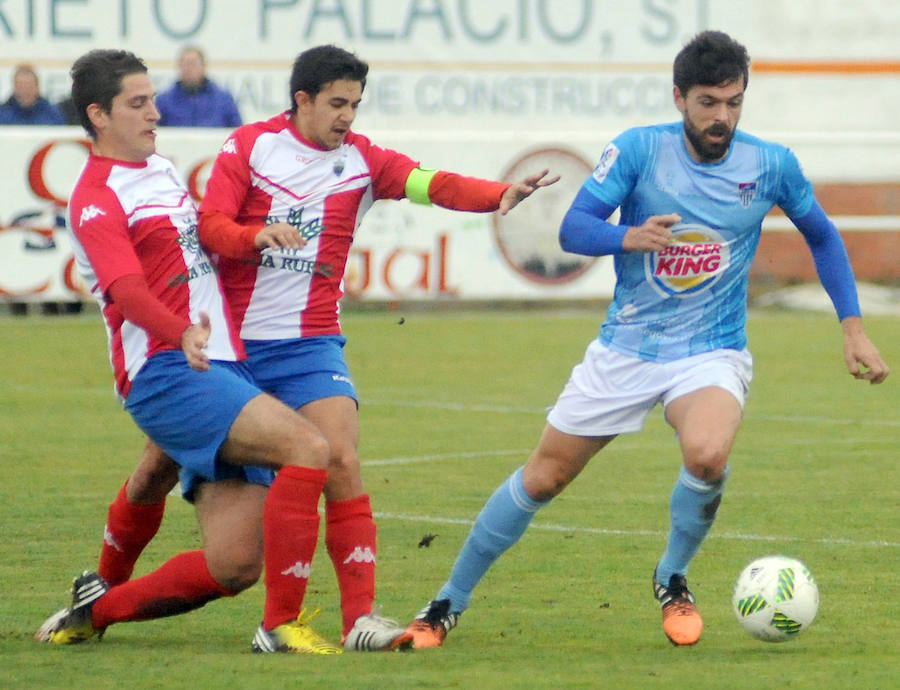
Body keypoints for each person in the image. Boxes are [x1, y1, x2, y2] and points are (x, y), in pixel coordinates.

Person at [404, 30, 890, 649]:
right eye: (709, 102)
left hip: (710, 350)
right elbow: (575, 229)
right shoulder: (639, 151)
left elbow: (822, 234)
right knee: (543, 478)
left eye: (734, 102)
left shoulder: (770, 164)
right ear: (679, 97)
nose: (722, 117)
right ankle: (446, 603)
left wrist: (852, 328)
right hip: (627, 350)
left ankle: (672, 577)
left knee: (708, 455)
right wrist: (625, 238)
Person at [71, 43, 557, 652]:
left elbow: (426, 181)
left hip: (308, 346)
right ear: (302, 100)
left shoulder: (360, 161)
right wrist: (255, 237)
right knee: (159, 479)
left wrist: (496, 194)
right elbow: (214, 228)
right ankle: (102, 593)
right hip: (230, 350)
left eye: (355, 104)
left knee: (338, 458)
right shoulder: (247, 147)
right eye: (336, 103)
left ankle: (359, 619)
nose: (348, 116)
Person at [34, 48, 357, 655]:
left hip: (220, 364)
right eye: (138, 103)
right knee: (309, 448)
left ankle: (96, 606)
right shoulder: (96, 195)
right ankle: (280, 627)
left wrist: (257, 240)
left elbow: (202, 248)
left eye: (153, 98)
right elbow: (126, 288)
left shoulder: (160, 170)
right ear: (99, 116)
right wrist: (176, 330)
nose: (155, 112)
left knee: (233, 565)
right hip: (165, 369)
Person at [155, 46, 242, 127]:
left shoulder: (224, 100)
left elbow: (238, 133)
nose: (189, 69)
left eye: (193, 64)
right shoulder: (163, 102)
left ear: (204, 66)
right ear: (179, 67)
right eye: (185, 64)